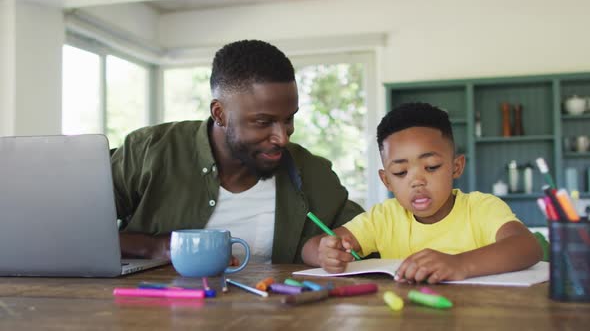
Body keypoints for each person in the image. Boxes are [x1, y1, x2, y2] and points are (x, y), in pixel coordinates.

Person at [111, 39, 363, 264]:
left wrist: (334, 249)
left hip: (281, 313)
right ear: (219, 114)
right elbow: (76, 229)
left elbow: (373, 233)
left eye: (288, 119)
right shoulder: (149, 151)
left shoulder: (312, 172)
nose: (283, 137)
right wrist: (154, 247)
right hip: (151, 313)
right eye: (263, 122)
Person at [301, 102, 542, 283]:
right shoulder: (383, 218)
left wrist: (459, 264)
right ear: (386, 180)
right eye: (400, 172)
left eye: (432, 167)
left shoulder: (480, 208)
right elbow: (310, 248)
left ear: (456, 166)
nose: (416, 181)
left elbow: (527, 246)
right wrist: (327, 252)